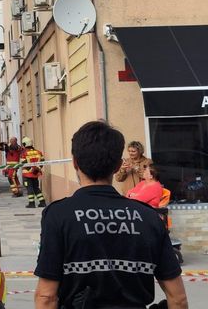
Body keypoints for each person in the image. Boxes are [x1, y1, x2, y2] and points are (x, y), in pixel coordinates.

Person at [34, 121, 188, 309]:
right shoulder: (148, 217)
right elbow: (178, 299)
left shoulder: (58, 216)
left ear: (75, 162)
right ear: (117, 166)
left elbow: (46, 297)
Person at [20, 137, 46, 207]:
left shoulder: (24, 153)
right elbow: (42, 162)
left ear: (25, 144)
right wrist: (37, 169)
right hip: (35, 174)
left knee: (29, 188)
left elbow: (23, 163)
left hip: (27, 174)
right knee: (36, 188)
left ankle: (31, 203)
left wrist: (31, 169)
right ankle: (42, 202)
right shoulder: (38, 152)